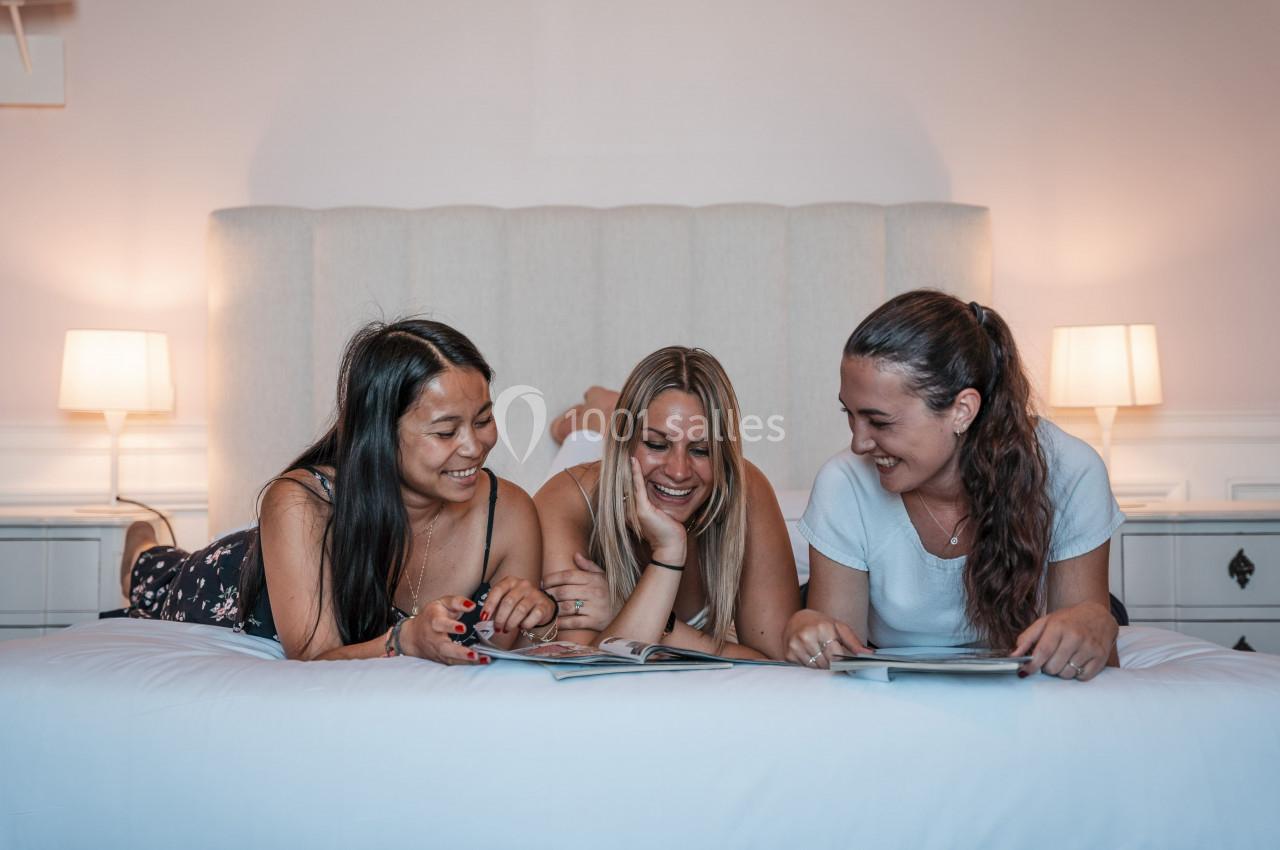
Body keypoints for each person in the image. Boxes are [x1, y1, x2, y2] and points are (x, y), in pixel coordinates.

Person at [116, 319, 553, 663]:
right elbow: (312, 655)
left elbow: (506, 645)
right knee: (157, 579)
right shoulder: (300, 503)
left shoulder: (509, 511)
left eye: (482, 421)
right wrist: (403, 642)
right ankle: (143, 554)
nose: (475, 447)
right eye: (444, 432)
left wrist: (538, 615)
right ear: (379, 433)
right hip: (230, 580)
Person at [783, 290, 1125, 680]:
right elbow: (840, 667)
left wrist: (1093, 626)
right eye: (851, 415)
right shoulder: (843, 482)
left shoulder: (1070, 470)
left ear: (962, 410)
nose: (859, 443)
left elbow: (1089, 656)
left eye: (879, 422)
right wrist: (811, 634)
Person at [534, 347, 801, 660]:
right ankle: (588, 424)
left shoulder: (745, 488)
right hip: (606, 482)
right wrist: (669, 553)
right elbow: (586, 667)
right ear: (624, 442)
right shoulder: (566, 500)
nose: (678, 471)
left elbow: (778, 666)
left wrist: (636, 611)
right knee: (583, 443)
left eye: (701, 450)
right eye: (657, 444)